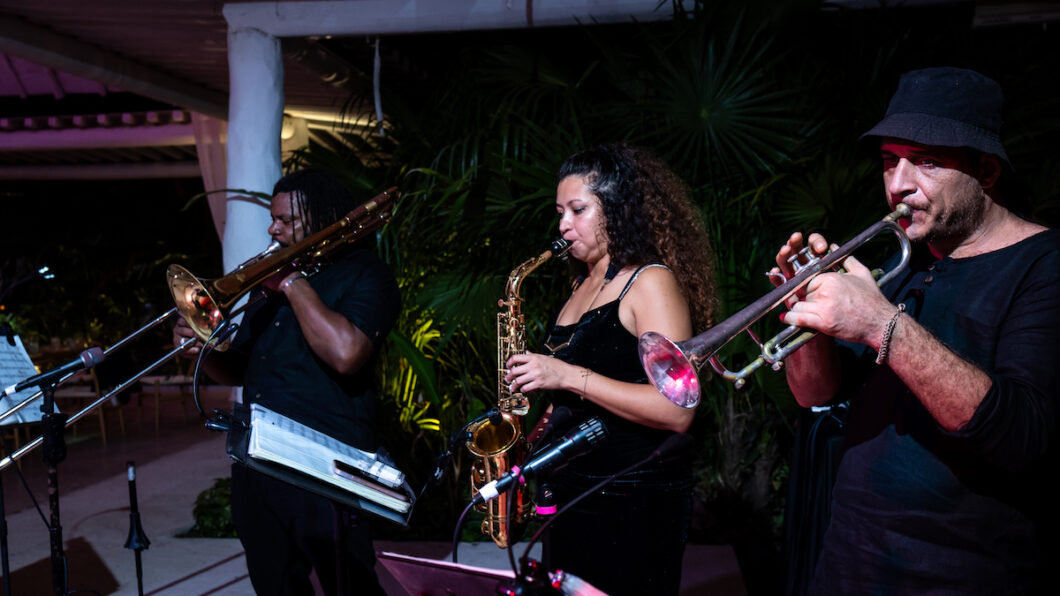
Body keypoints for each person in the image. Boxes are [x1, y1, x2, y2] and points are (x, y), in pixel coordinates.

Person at [772, 67, 1060, 594]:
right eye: (890, 161)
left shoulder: (1044, 266)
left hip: (966, 575)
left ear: (987, 172)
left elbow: (1024, 435)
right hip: (848, 563)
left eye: (927, 161)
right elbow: (816, 394)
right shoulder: (900, 263)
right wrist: (804, 321)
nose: (899, 184)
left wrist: (883, 324)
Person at [173, 169, 400, 596]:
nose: (273, 229)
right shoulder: (269, 287)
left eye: (286, 220)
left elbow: (347, 354)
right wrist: (204, 352)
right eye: (272, 218)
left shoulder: (367, 275)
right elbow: (242, 371)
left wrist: (291, 283)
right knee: (274, 582)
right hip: (258, 461)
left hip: (326, 463)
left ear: (326, 217)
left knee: (348, 584)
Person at [505, 143, 717, 595]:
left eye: (578, 209)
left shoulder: (650, 282)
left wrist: (564, 375)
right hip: (572, 493)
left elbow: (677, 410)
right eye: (560, 211)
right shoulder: (580, 285)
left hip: (632, 497)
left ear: (616, 208)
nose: (563, 225)